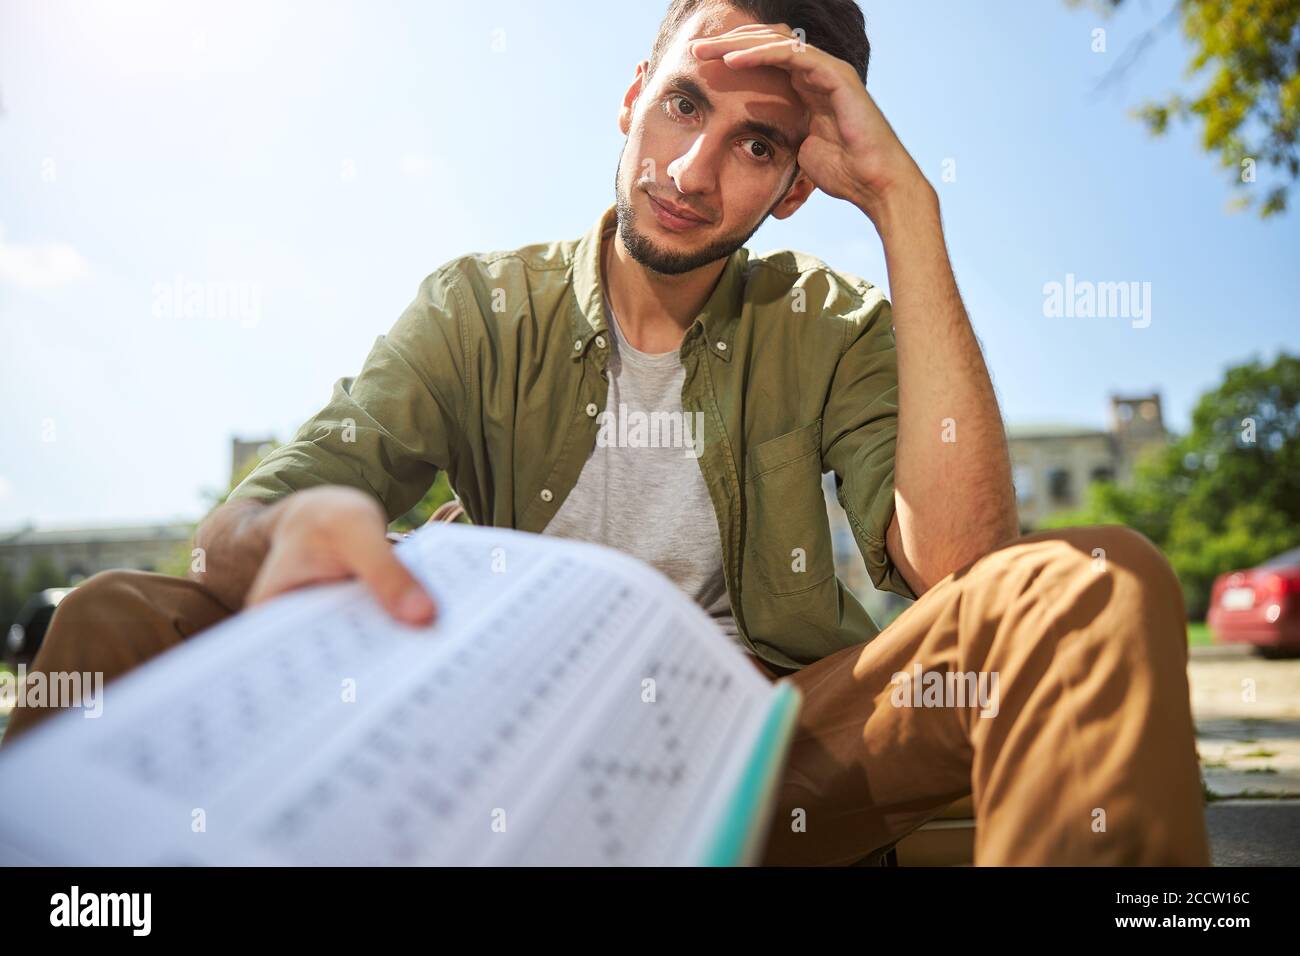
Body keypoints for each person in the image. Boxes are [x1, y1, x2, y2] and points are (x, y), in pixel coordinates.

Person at [4, 0, 1209, 866]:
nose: (690, 169)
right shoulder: (478, 305)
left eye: (755, 142)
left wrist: (906, 206)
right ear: (633, 95)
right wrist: (282, 536)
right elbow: (232, 533)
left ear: (797, 184)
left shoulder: (831, 322)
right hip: (487, 741)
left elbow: (963, 568)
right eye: (683, 101)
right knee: (110, 614)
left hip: (772, 755)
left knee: (1094, 581)